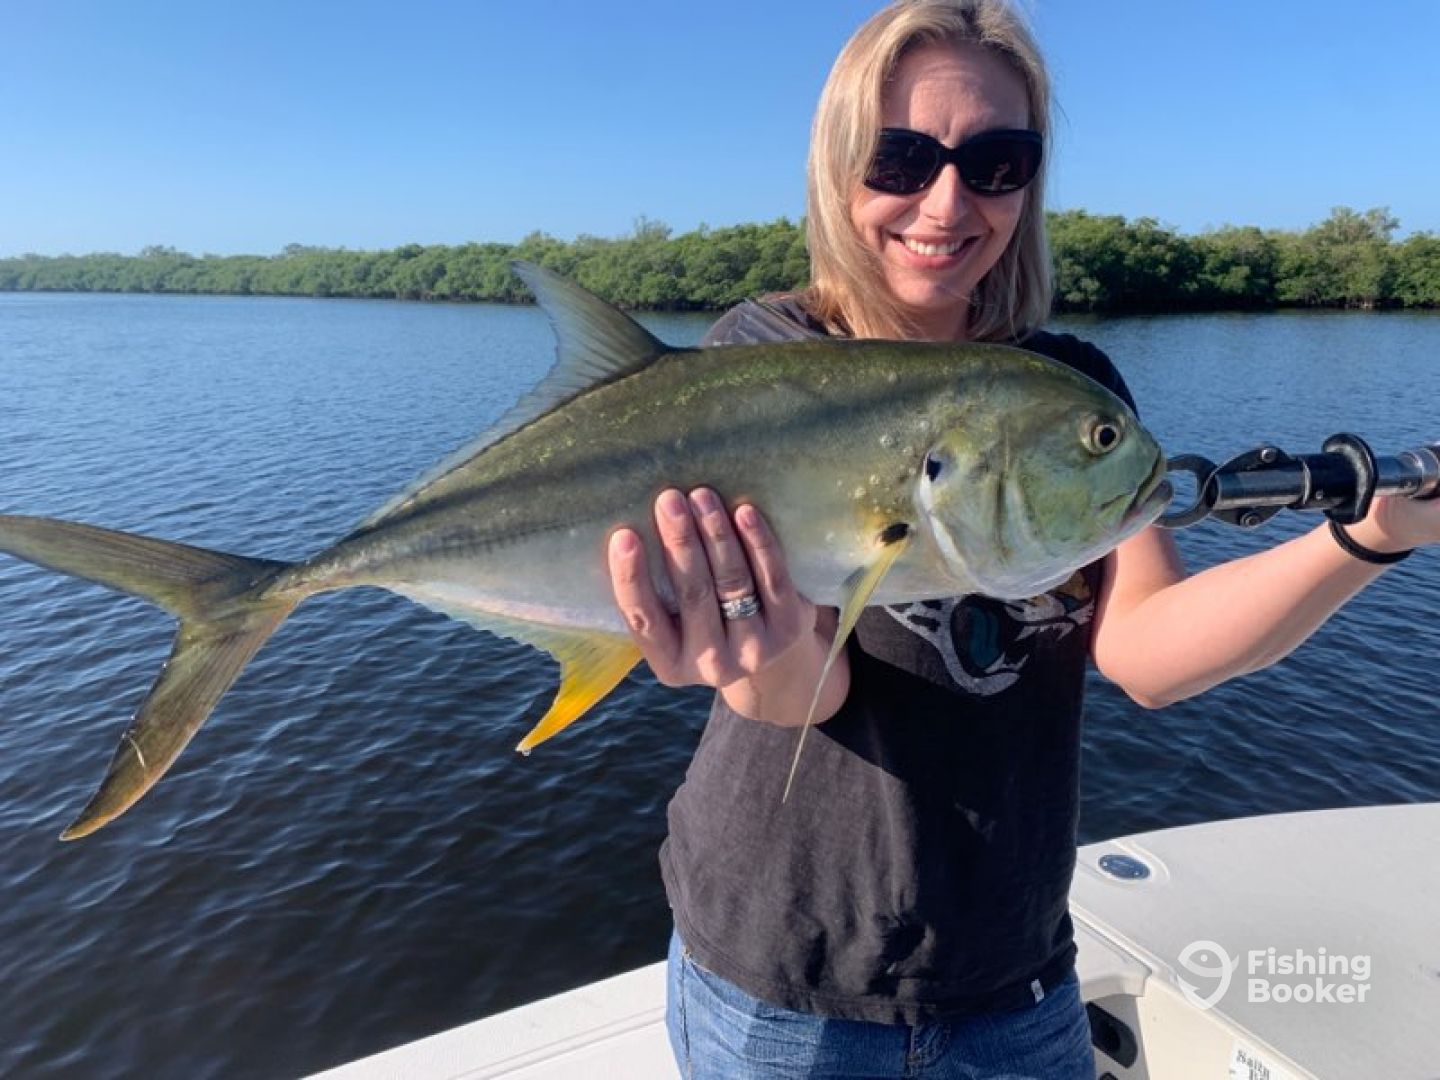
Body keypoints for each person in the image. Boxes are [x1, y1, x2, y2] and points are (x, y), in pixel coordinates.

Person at [603, 2, 1440, 1076]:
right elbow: (805, 694)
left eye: (996, 161)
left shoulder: (1071, 389)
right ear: (836, 166)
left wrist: (1371, 538)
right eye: (900, 157)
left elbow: (1146, 650)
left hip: (1016, 974)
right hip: (788, 984)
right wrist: (750, 651)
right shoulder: (763, 361)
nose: (946, 202)